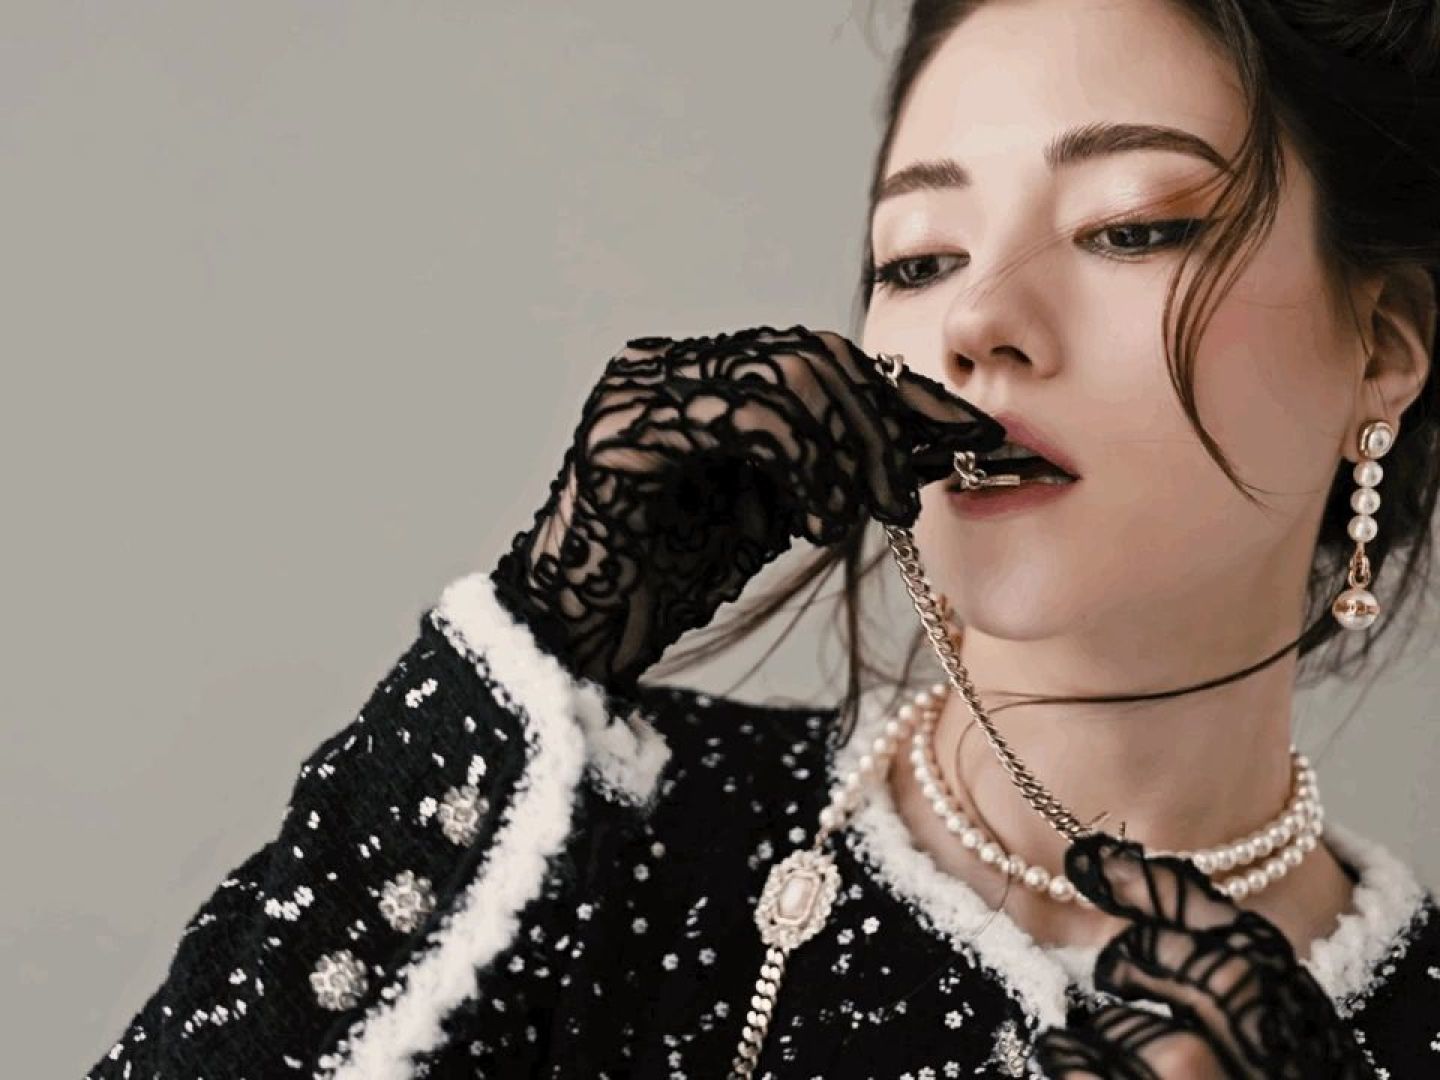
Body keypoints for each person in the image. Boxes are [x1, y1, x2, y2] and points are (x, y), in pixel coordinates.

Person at [85, 0, 1440, 1076]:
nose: (977, 324)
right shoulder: (597, 846)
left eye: (1129, 228)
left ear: (1380, 346)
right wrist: (541, 627)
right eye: (918, 259)